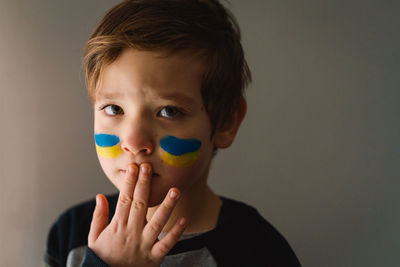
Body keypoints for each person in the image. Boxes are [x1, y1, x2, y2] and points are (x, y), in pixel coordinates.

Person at [44, 0, 301, 266]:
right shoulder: (70, 236)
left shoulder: (259, 252)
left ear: (226, 122)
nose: (133, 142)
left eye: (168, 112)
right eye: (114, 108)